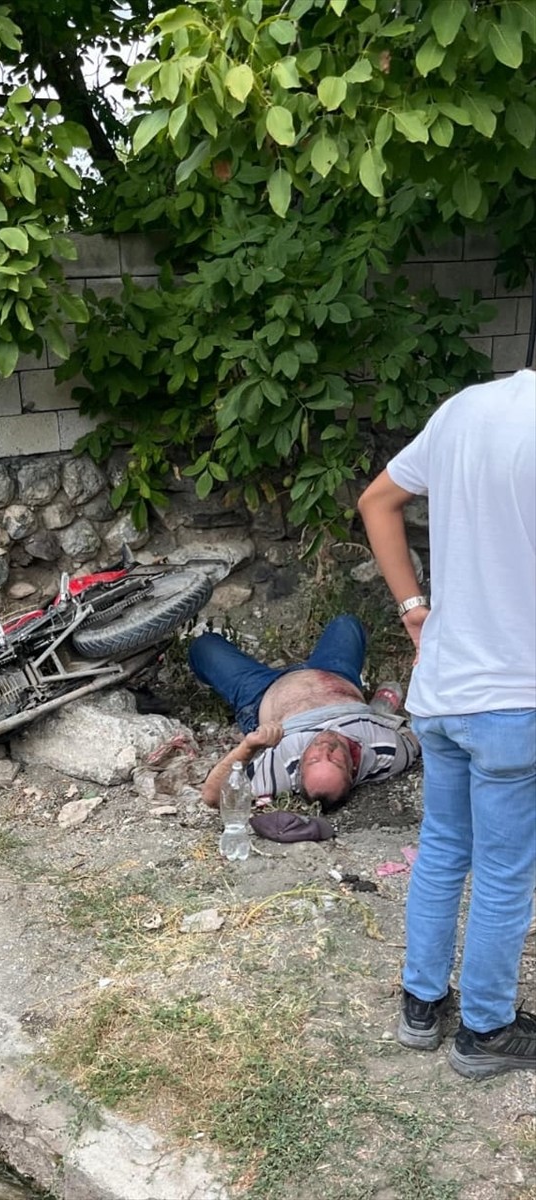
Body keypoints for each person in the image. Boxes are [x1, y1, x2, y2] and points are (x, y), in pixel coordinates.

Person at [358, 365, 536, 1080]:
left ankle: (421, 1006)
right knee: (503, 871)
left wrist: (412, 606)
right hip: (515, 698)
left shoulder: (466, 408)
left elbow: (378, 500)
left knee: (442, 849)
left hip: (444, 692)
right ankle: (487, 1032)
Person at [190, 614, 420, 811]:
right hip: (334, 674)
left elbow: (212, 795)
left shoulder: (281, 771)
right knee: (346, 623)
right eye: (335, 761)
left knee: (203, 646)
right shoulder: (386, 752)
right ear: (352, 771)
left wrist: (249, 746)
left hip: (262, 692)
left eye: (313, 760)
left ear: (300, 769)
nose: (325, 749)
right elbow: (423, 736)